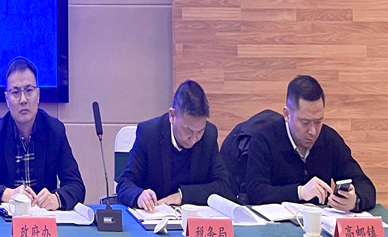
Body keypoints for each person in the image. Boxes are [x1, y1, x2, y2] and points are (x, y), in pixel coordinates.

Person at [0, 57, 84, 210]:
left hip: (45, 217)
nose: (23, 99)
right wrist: (8, 194)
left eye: (29, 90)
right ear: (7, 99)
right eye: (15, 92)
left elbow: (76, 186)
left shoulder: (55, 130)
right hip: (8, 218)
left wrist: (56, 198)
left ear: (38, 95)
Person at [246, 75, 375, 211]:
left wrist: (355, 200)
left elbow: (365, 185)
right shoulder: (263, 139)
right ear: (287, 115)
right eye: (305, 122)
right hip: (275, 221)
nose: (313, 131)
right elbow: (256, 192)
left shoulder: (329, 139)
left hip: (320, 221)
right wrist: (300, 192)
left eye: (318, 121)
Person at [116, 80, 232, 211]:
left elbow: (223, 186)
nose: (194, 139)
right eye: (188, 131)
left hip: (193, 217)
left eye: (200, 131)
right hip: (155, 215)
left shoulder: (209, 135)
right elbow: (125, 182)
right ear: (172, 116)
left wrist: (183, 195)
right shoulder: (149, 133)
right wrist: (139, 196)